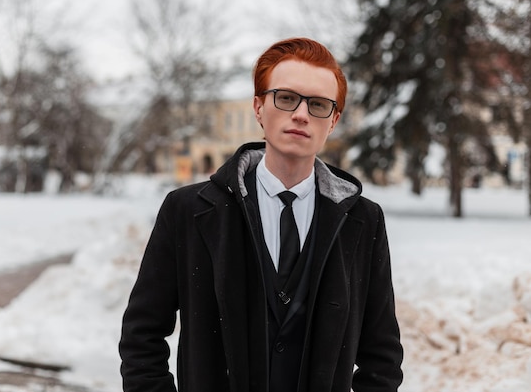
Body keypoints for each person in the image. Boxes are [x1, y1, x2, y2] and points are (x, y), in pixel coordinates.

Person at [119, 37, 403, 392]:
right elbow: (141, 335)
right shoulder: (189, 211)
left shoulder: (363, 221)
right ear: (258, 107)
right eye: (286, 98)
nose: (301, 114)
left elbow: (383, 355)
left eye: (318, 105)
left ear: (333, 121)